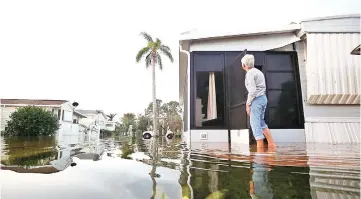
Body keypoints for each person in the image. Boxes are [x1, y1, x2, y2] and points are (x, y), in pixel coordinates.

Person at [241, 54, 276, 150]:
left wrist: (247, 104)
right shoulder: (258, 72)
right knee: (261, 122)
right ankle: (272, 146)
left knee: (255, 124)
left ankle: (260, 154)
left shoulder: (250, 73)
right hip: (263, 98)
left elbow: (252, 91)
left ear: (244, 65)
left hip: (257, 100)